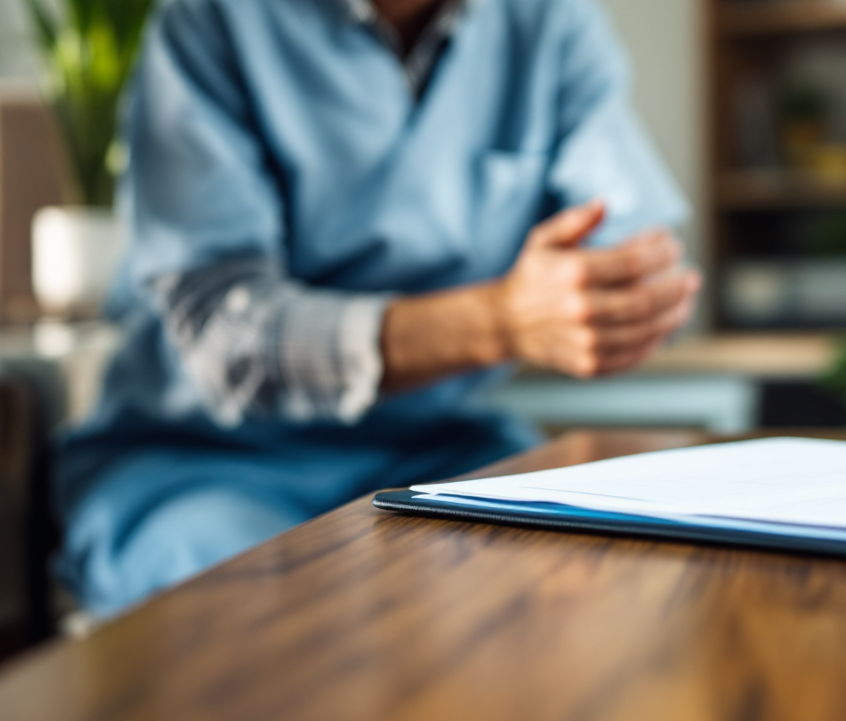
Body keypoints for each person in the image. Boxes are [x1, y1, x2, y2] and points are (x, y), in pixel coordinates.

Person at [56, 0, 700, 617]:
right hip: (202, 465)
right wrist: (500, 320)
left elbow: (632, 234)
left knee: (603, 573)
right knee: (275, 627)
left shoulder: (549, 22)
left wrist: (614, 290)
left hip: (435, 452)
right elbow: (228, 338)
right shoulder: (210, 21)